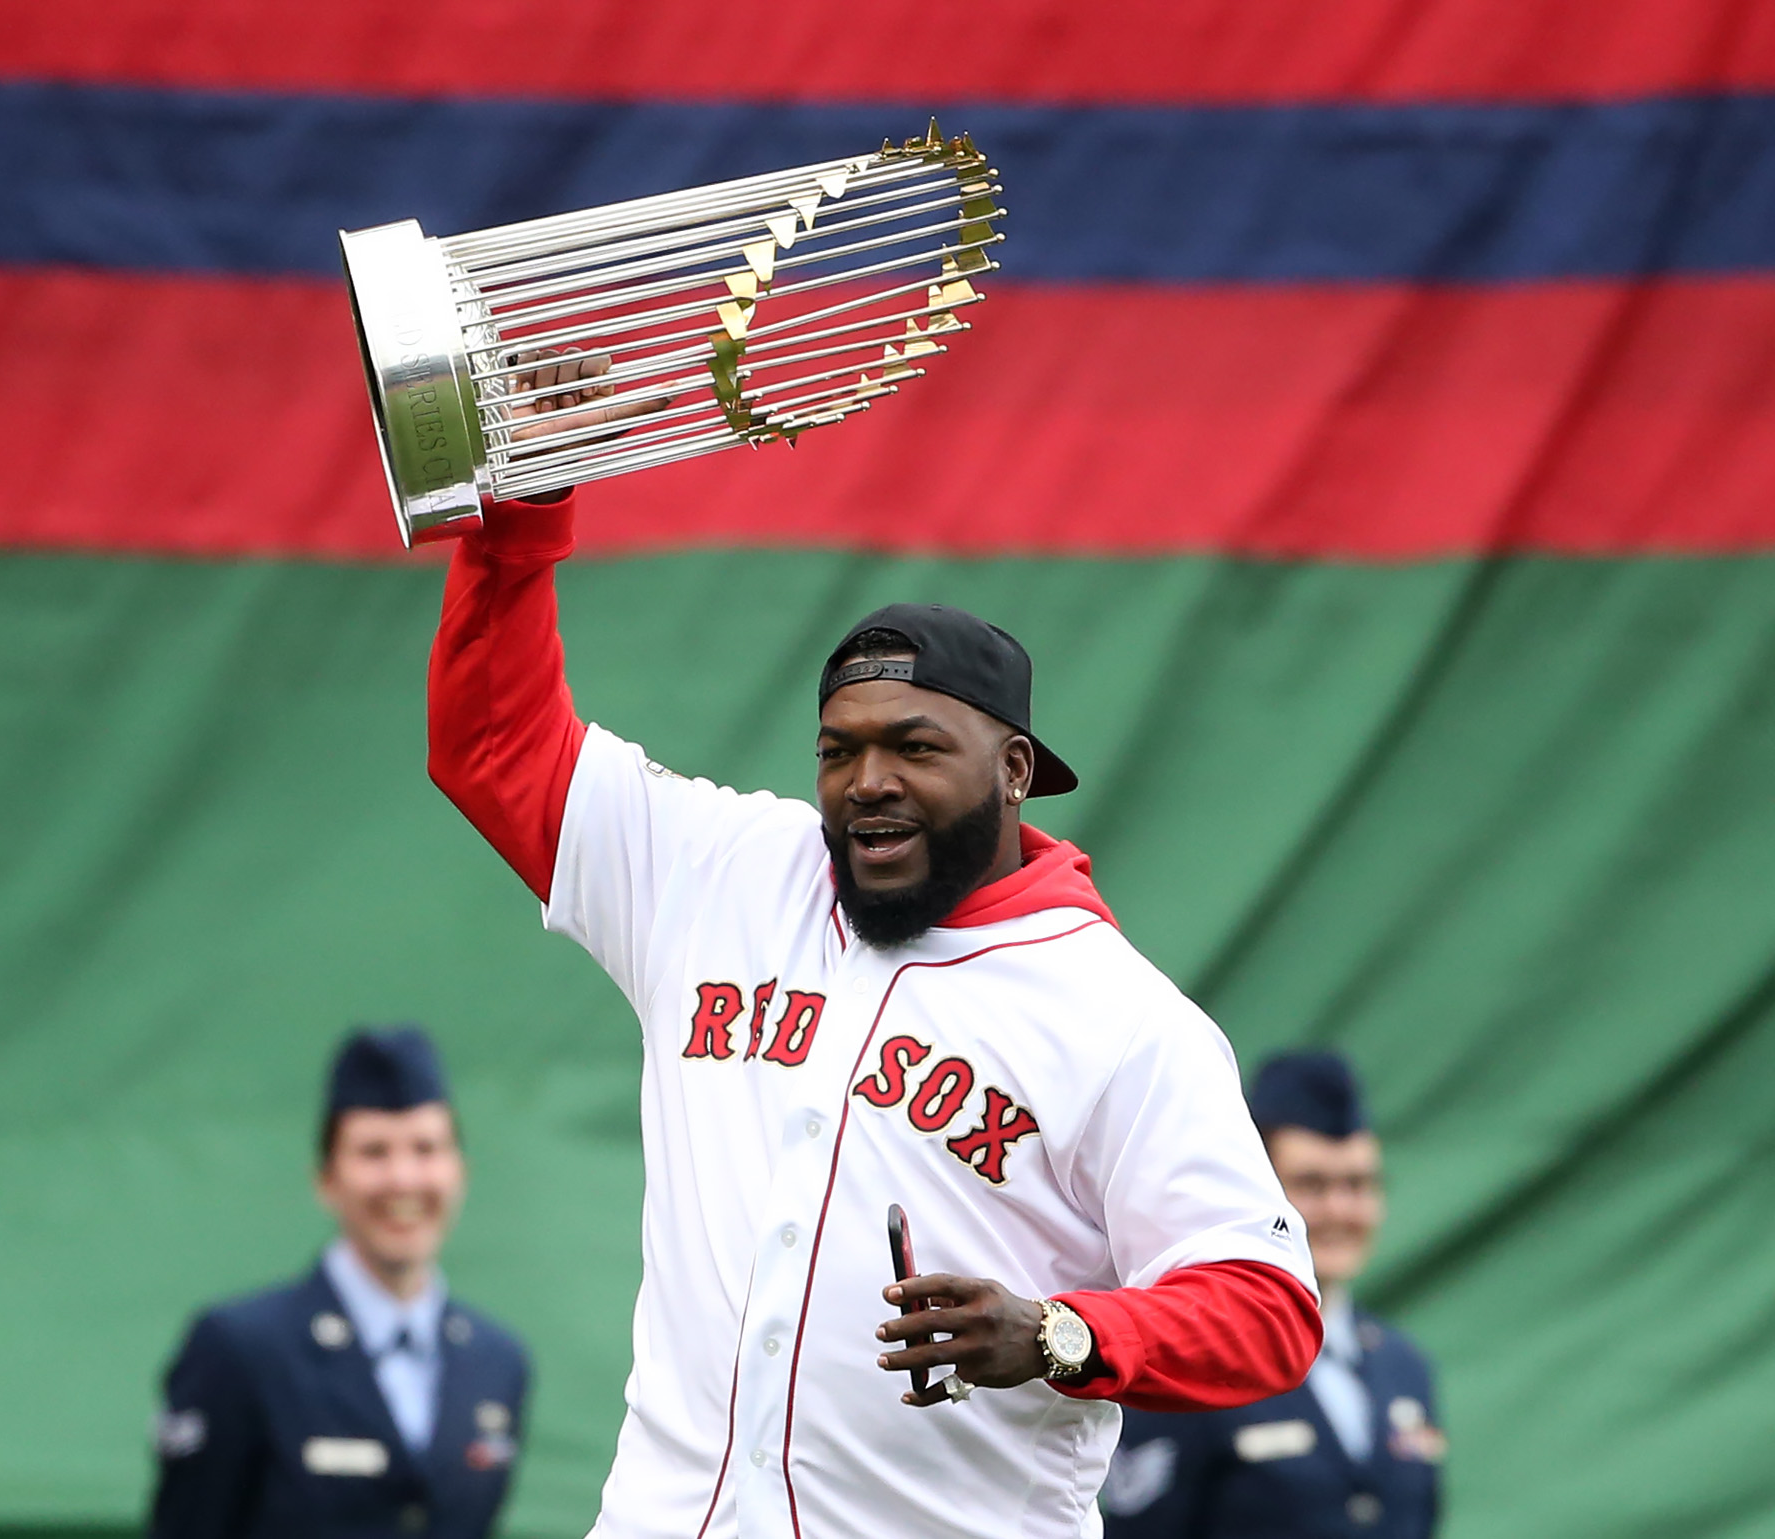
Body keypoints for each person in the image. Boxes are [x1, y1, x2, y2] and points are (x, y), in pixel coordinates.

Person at [420, 361, 1325, 1539]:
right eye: (837, 750)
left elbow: (1265, 1308)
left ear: (1012, 771)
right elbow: (491, 742)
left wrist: (1059, 1333)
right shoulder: (728, 873)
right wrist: (521, 510)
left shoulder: (1117, 1017)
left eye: (913, 746)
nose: (867, 782)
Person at [148, 1026, 529, 1539]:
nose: (403, 1179)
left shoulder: (497, 1363)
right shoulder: (241, 1350)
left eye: (425, 1148)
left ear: (460, 1170)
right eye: (374, 1152)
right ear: (326, 1179)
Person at [1099, 1052, 1444, 1538]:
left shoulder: (1404, 1368)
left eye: (1359, 1185)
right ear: (1259, 1192)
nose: (1339, 1210)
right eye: (1311, 1184)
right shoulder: (1187, 1359)